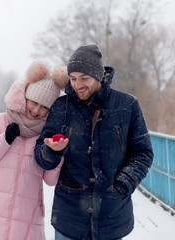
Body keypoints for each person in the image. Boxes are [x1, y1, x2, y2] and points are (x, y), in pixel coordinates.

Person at [34, 44, 154, 240]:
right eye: (72, 79)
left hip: (112, 218)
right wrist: (52, 151)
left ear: (98, 75)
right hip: (69, 219)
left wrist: (123, 185)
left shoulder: (127, 105)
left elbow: (143, 153)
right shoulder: (61, 107)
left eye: (84, 78)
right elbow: (41, 156)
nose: (77, 85)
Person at [0, 61, 68, 240]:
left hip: (24, 220)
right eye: (34, 102)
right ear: (25, 97)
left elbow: (50, 180)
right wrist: (5, 139)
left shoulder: (47, 135)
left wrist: (56, 152)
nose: (36, 110)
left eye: (44, 107)